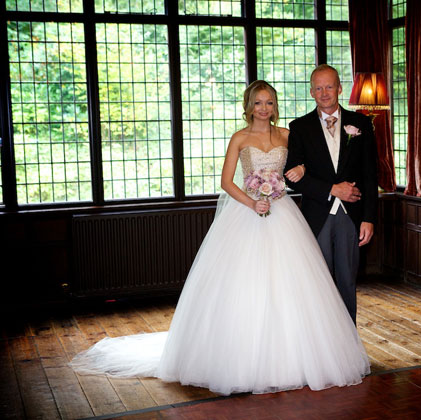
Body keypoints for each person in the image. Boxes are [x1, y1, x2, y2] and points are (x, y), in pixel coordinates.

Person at [69, 80, 370, 396]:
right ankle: (242, 359)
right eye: (258, 103)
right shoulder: (239, 138)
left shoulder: (287, 135)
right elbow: (227, 181)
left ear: (275, 106)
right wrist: (253, 201)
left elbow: (306, 165)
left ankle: (299, 355)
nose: (264, 109)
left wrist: (296, 173)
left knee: (295, 286)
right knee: (245, 286)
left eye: (269, 103)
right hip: (248, 212)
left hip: (283, 214)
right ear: (249, 106)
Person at [285, 65, 378, 324]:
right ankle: (323, 341)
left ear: (339, 88)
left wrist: (369, 218)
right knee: (319, 283)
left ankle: (348, 344)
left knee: (348, 281)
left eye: (329, 86)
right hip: (317, 215)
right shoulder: (299, 127)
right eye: (318, 87)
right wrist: (331, 189)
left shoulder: (361, 124)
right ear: (311, 91)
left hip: (352, 216)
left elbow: (371, 174)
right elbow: (291, 178)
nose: (324, 92)